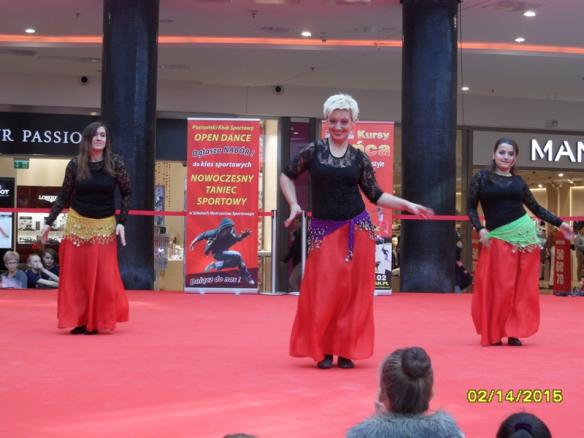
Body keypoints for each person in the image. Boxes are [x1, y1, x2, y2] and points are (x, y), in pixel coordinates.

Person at [280, 93, 433, 369]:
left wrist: (406, 204)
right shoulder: (313, 151)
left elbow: (375, 194)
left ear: (353, 123)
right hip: (324, 232)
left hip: (357, 230)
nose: (338, 126)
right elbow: (286, 175)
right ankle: (323, 350)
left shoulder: (359, 158)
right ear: (326, 121)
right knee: (323, 291)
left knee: (353, 294)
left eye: (344, 121)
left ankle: (345, 349)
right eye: (333, 121)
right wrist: (293, 204)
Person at [468, 137, 574, 346]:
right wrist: (480, 228)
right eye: (502, 152)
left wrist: (560, 223)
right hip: (497, 238)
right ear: (493, 154)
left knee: (520, 287)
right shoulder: (482, 177)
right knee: (500, 287)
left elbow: (536, 208)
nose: (506, 157)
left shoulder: (519, 182)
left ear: (515, 159)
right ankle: (494, 331)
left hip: (525, 239)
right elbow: (471, 207)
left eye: (510, 154)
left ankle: (513, 331)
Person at [40, 121, 131, 335]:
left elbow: (127, 193)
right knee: (78, 276)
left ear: (107, 140)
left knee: (103, 277)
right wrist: (48, 222)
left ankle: (97, 320)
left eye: (103, 135)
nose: (99, 138)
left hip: (104, 226)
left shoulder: (115, 163)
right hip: (77, 224)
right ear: (88, 139)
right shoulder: (75, 164)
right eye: (95, 135)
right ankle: (80, 320)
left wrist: (122, 222)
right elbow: (63, 195)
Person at [346, 347, 464, 438]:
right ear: (431, 393)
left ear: (381, 394)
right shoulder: (451, 433)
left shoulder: (362, 435)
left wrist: (376, 422)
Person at [189, 217, 255, 285]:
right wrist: (193, 242)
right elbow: (203, 235)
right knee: (238, 255)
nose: (231, 230)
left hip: (224, 252)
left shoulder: (230, 234)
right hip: (217, 254)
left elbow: (237, 238)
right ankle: (246, 276)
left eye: (231, 228)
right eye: (229, 228)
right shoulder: (214, 233)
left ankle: (215, 265)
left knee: (237, 262)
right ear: (223, 228)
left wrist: (243, 236)